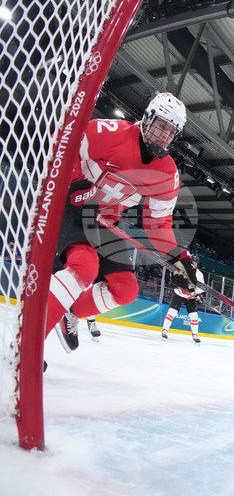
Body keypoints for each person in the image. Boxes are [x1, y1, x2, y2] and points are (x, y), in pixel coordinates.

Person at [48, 92, 198, 353]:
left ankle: (71, 310)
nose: (164, 135)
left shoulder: (167, 173)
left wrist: (179, 257)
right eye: (161, 126)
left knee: (125, 289)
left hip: (104, 221)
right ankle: (27, 341)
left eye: (171, 131)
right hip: (73, 205)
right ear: (147, 118)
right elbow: (64, 144)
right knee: (85, 265)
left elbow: (158, 222)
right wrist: (77, 182)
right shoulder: (110, 132)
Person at [161, 254, 205, 344]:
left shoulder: (199, 274)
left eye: (195, 262)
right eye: (192, 262)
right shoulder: (182, 268)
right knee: (172, 312)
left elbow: (200, 288)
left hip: (190, 296)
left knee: (194, 316)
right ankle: (165, 330)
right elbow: (173, 277)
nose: (194, 263)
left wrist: (198, 295)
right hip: (179, 293)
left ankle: (195, 335)